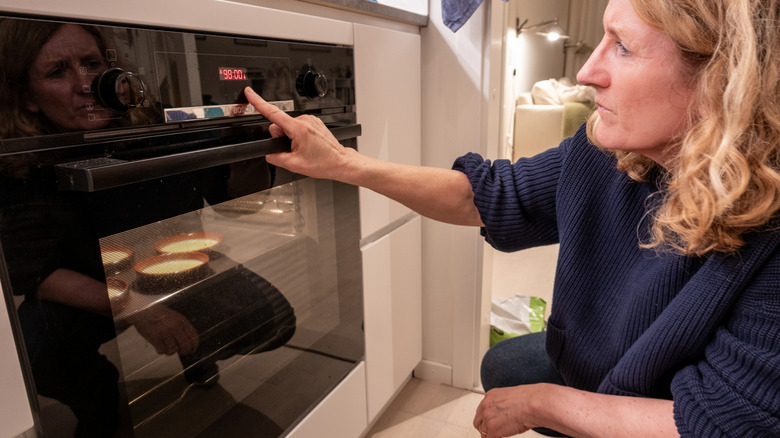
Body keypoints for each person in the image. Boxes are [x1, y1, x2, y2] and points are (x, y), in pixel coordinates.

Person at [242, 0, 780, 436]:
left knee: (524, 386)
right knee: (505, 367)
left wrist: (544, 404)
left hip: (678, 405)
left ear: (720, 80)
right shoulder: (604, 151)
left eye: (622, 47)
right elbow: (490, 195)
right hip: (614, 366)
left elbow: (721, 423)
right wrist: (344, 164)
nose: (587, 71)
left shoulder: (768, 225)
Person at [0, 17, 295, 437]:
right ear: (28, 97)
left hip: (169, 265)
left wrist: (247, 153)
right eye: (58, 71)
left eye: (91, 63)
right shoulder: (18, 162)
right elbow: (38, 273)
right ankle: (98, 400)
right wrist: (139, 310)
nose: (86, 84)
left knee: (275, 320)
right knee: (32, 354)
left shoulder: (155, 126)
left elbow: (232, 205)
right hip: (83, 286)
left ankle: (194, 352)